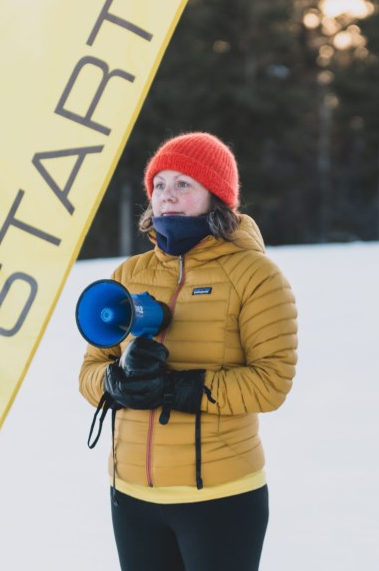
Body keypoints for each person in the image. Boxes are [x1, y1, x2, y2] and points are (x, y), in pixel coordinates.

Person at [78, 132, 298, 571]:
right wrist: (116, 384)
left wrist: (178, 389)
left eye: (183, 184)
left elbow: (271, 382)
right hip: (132, 496)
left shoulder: (255, 275)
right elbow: (89, 370)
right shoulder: (129, 272)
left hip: (220, 496)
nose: (167, 196)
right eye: (159, 185)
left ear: (216, 196)